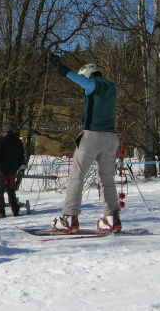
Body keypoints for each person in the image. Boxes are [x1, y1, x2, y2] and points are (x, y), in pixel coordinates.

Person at [50, 53, 121, 234]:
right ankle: (112, 218)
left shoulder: (93, 84)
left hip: (92, 136)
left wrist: (63, 70)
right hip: (111, 137)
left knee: (77, 176)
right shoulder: (112, 87)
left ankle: (69, 218)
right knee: (107, 179)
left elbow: (85, 84)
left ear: (89, 74)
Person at [0, 124, 25, 217]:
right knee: (11, 190)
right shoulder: (18, 142)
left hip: (2, 169)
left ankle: (1, 211)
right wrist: (17, 166)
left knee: (0, 191)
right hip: (12, 170)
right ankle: (15, 210)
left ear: (5, 132)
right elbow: (21, 156)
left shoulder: (2, 140)